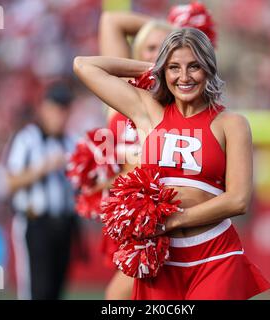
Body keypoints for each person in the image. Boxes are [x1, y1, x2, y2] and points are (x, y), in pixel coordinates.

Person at [73, 27, 270, 300]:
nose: (184, 77)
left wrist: (173, 221)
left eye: (194, 67)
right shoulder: (148, 111)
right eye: (174, 68)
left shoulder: (232, 123)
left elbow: (238, 200)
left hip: (215, 255)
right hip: (161, 259)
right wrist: (156, 66)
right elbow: (84, 65)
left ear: (209, 69)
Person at [95, 11, 174, 300]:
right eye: (151, 48)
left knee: (117, 298)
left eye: (165, 47)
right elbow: (111, 21)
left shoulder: (178, 103)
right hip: (125, 217)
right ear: (137, 53)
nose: (157, 54)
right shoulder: (121, 95)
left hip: (159, 221)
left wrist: (180, 42)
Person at [4, 81, 82, 300]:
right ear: (45, 108)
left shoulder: (71, 141)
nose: (61, 115)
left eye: (65, 109)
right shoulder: (27, 139)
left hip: (64, 224)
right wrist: (43, 168)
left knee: (56, 290)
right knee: (36, 291)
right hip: (35, 223)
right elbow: (10, 182)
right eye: (57, 108)